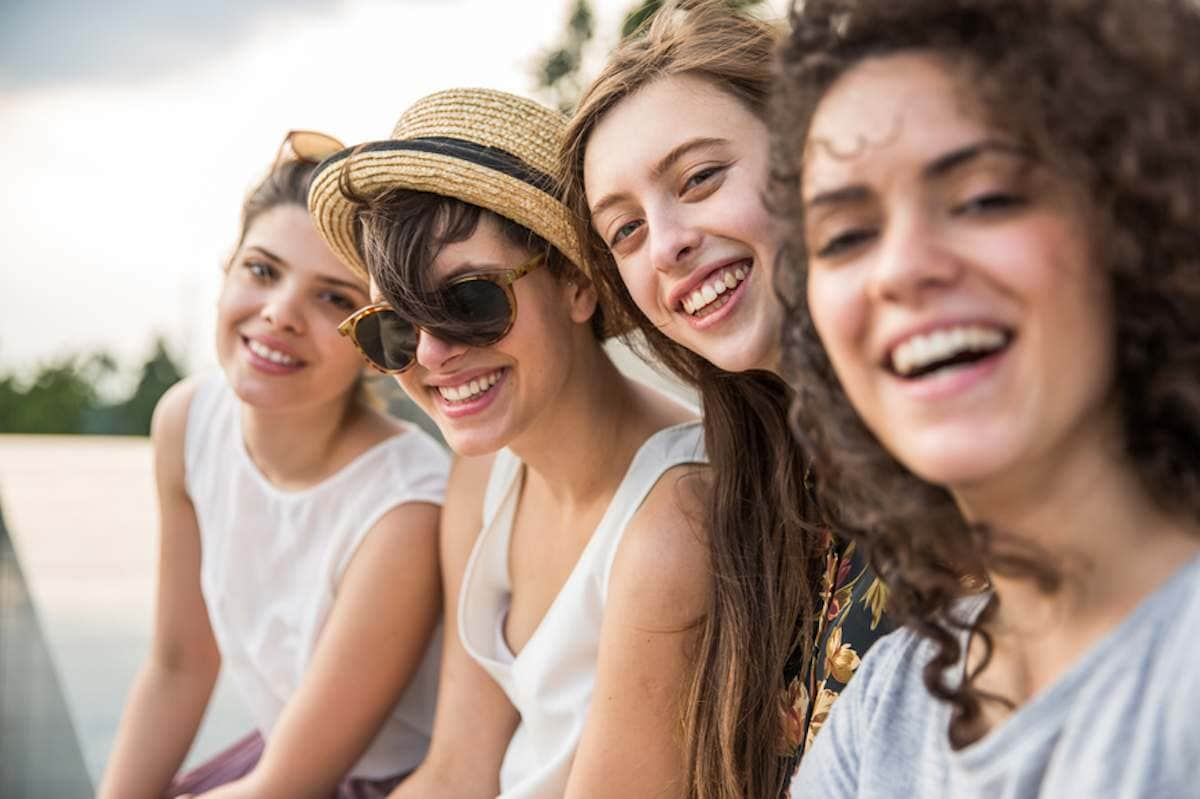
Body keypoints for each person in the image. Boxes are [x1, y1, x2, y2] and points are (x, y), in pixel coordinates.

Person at [771, 0, 1200, 795]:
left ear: (1135, 219)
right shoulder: (883, 708)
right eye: (846, 237)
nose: (900, 268)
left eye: (984, 198)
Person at [307, 88, 708, 798]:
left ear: (578, 282)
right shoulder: (485, 471)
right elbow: (457, 769)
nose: (430, 356)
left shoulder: (676, 518)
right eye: (392, 329)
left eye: (469, 301)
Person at [559, 2, 890, 795]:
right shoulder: (751, 507)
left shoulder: (983, 437)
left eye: (700, 178)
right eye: (626, 230)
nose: (668, 242)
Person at [97, 131, 448, 799]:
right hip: (278, 755)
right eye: (262, 270)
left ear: (376, 342)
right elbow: (179, 664)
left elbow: (287, 784)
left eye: (334, 299)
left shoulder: (404, 508)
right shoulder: (187, 419)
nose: (280, 312)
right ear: (227, 270)